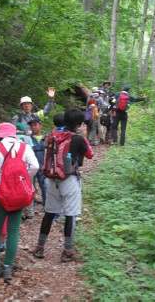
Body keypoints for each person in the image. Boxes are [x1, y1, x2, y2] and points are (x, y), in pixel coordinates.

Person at [0, 123, 39, 283]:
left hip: (1, 193)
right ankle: (8, 267)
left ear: (0, 135)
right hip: (18, 194)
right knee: (13, 230)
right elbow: (35, 166)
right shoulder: (25, 147)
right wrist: (23, 179)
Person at [32, 108, 94, 263]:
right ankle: (68, 250)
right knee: (70, 214)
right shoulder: (77, 138)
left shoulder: (53, 135)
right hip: (70, 179)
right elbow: (90, 154)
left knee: (49, 213)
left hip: (52, 179)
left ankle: (40, 247)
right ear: (79, 124)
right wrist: (84, 136)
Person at [29, 117, 48, 208]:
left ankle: (47, 207)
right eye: (31, 126)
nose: (33, 127)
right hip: (31, 167)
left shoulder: (46, 138)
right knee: (30, 187)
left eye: (35, 125)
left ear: (40, 125)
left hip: (42, 166)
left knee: (44, 186)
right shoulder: (28, 139)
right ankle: (30, 209)